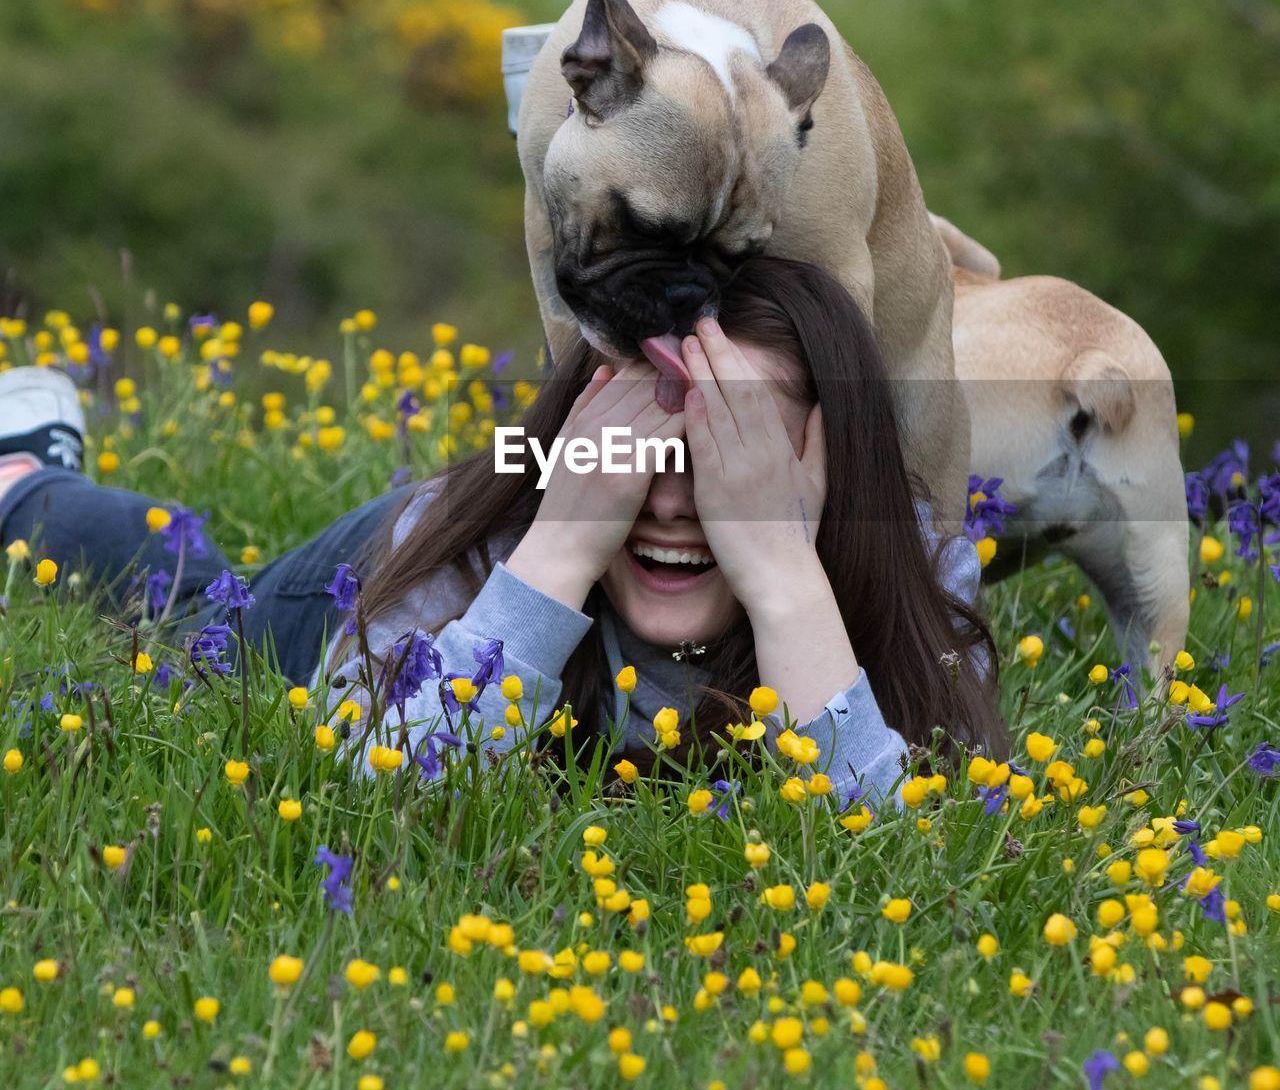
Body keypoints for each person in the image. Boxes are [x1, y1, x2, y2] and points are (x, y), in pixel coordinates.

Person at [0, 257, 1006, 804]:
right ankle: (28, 472)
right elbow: (391, 783)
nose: (663, 501)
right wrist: (565, 541)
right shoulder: (486, 540)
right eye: (637, 455)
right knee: (187, 605)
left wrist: (783, 570)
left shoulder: (909, 554)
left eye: (725, 460)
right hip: (358, 596)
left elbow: (881, 841)